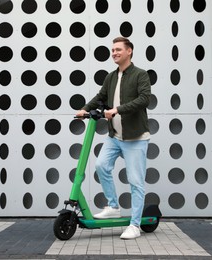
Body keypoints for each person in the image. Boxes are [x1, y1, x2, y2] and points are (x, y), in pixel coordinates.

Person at [76, 36, 151, 239]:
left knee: (135, 182)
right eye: (113, 50)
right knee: (101, 166)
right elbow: (101, 96)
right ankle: (113, 206)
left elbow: (144, 99)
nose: (114, 53)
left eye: (118, 49)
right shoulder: (110, 77)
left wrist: (118, 109)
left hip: (136, 138)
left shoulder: (140, 75)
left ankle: (135, 225)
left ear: (129, 51)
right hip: (115, 136)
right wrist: (84, 109)